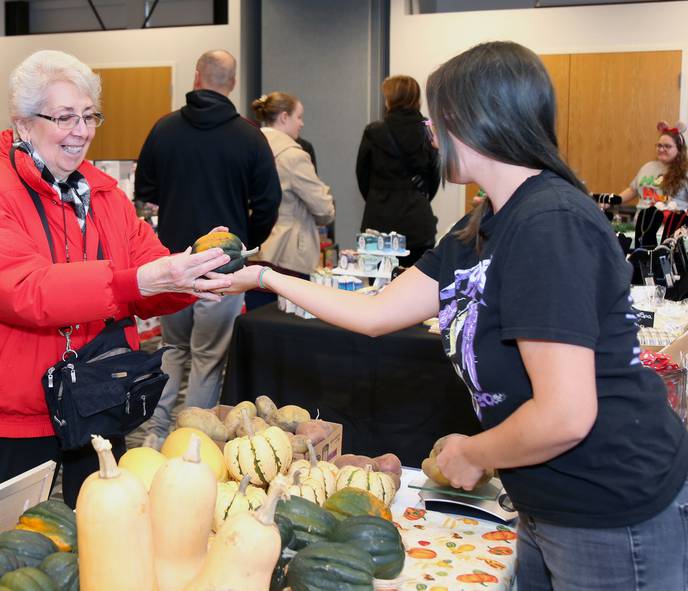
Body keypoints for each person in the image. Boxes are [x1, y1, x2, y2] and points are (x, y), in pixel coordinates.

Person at [211, 41, 688, 590]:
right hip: (549, 500)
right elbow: (375, 312)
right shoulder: (483, 226)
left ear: (478, 119)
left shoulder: (549, 224)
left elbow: (565, 414)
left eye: (439, 117)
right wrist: (263, 277)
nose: (431, 133)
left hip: (611, 505)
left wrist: (474, 451)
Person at [0, 50, 232, 507]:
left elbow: (145, 273)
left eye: (90, 116)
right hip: (20, 409)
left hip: (99, 395)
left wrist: (189, 273)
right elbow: (24, 291)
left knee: (104, 529)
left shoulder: (105, 195)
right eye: (65, 117)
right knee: (23, 547)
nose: (82, 131)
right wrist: (141, 281)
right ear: (24, 121)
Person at [134, 49, 281, 443]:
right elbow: (269, 202)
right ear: (232, 83)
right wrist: (243, 245)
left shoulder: (163, 129)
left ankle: (155, 435)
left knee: (173, 349)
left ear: (197, 76)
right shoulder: (250, 137)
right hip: (223, 270)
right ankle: (191, 443)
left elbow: (144, 192)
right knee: (208, 359)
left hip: (173, 263)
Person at [247, 92, 335, 309]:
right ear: (284, 117)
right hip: (287, 253)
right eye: (299, 117)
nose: (302, 124)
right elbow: (324, 209)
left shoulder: (246, 146)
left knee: (258, 318)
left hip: (252, 247)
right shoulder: (293, 155)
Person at [356, 75, 440, 266]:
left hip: (378, 221)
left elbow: (362, 176)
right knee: (418, 285)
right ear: (416, 99)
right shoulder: (427, 129)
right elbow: (434, 175)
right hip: (418, 223)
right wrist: (418, 196)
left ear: (390, 100)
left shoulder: (374, 131)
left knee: (376, 287)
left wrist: (378, 197)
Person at [620, 121, 688, 210]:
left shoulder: (685, 171)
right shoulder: (647, 167)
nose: (661, 149)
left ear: (679, 149)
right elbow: (633, 190)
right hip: (642, 221)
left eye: (667, 146)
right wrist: (610, 201)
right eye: (659, 145)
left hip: (672, 222)